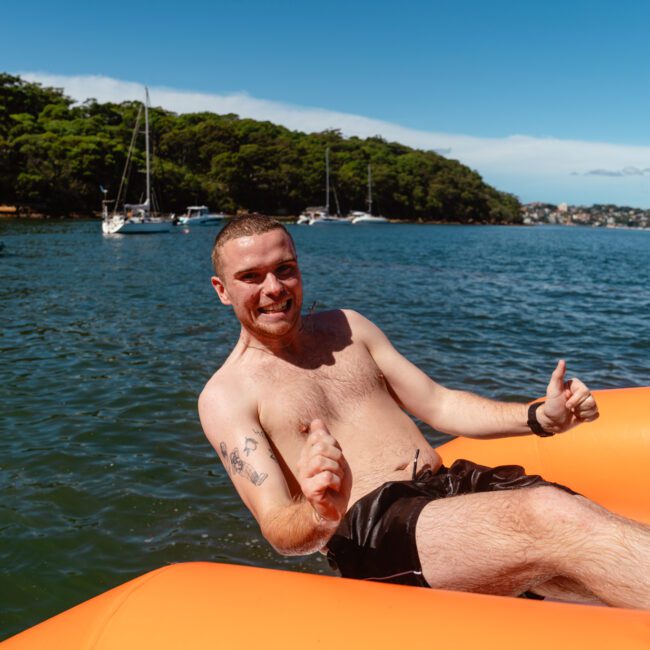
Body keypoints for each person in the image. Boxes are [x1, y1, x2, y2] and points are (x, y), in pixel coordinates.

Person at [199, 214, 650, 609]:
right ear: (222, 290)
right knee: (549, 515)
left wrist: (537, 418)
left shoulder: (348, 328)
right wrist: (320, 512)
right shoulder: (227, 395)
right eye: (251, 277)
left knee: (583, 518)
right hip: (372, 528)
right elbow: (279, 526)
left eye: (284, 270)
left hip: (448, 486)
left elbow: (438, 403)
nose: (274, 288)